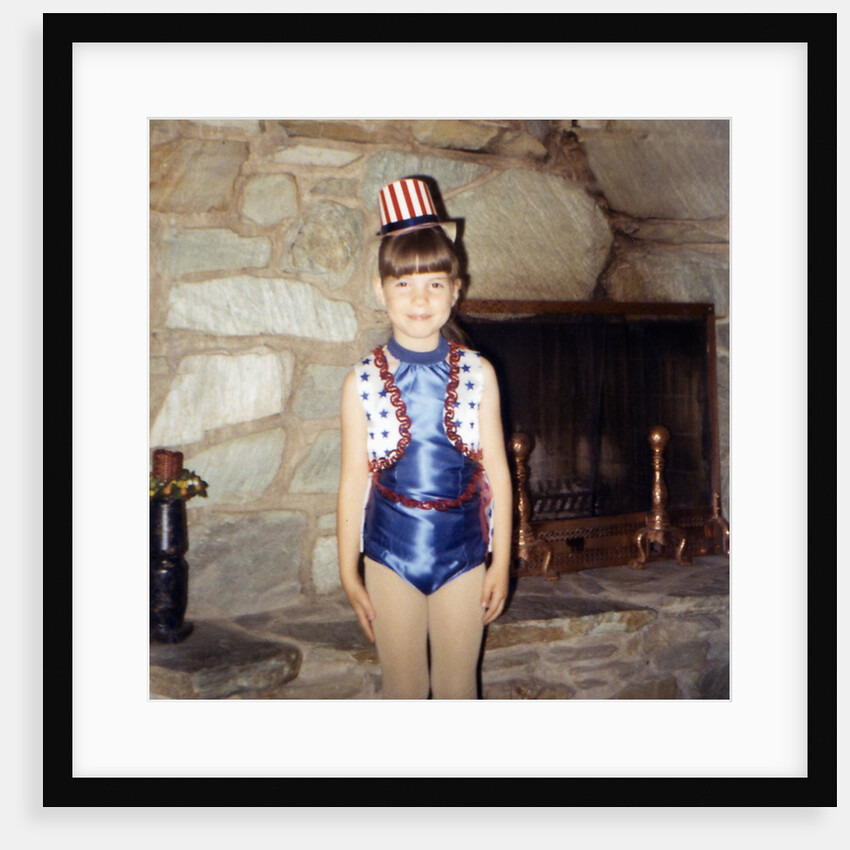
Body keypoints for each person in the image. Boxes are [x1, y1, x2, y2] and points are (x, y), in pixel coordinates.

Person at [337, 177, 513, 699]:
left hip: (463, 553)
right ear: (380, 290)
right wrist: (349, 573)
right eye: (404, 284)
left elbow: (498, 473)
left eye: (435, 283)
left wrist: (502, 561)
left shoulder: (479, 373)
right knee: (404, 689)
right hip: (390, 554)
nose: (420, 298)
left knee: (460, 688)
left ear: (455, 290)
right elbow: (352, 482)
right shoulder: (360, 381)